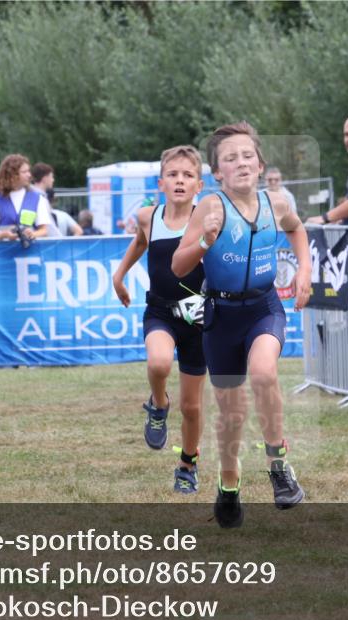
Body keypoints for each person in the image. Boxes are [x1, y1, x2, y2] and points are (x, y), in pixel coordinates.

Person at [172, 121, 311, 528]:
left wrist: (304, 271)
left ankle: (278, 466)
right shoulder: (209, 208)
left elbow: (297, 230)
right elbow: (178, 266)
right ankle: (228, 485)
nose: (242, 163)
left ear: (260, 164)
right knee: (232, 415)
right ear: (218, 172)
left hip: (264, 308)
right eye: (231, 158)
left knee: (265, 373)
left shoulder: (277, 203)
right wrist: (205, 241)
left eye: (248, 155)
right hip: (221, 316)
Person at [112, 146, 207, 494]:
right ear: (161, 182)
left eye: (187, 175)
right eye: (173, 174)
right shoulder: (147, 217)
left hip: (197, 318)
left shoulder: (207, 220)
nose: (180, 181)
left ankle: (187, 466)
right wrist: (119, 276)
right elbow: (140, 242)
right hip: (161, 311)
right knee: (159, 362)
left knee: (192, 407)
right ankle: (158, 403)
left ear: (199, 185)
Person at [0, 154, 51, 242]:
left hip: (30, 250)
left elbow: (44, 230)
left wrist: (33, 234)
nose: (29, 175)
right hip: (3, 250)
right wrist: (2, 235)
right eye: (24, 172)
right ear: (12, 175)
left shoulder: (37, 198)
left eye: (29, 171)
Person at [29, 163, 83, 237]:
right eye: (51, 177)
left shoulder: (32, 196)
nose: (53, 180)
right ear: (45, 178)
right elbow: (49, 227)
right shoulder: (39, 198)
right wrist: (59, 240)